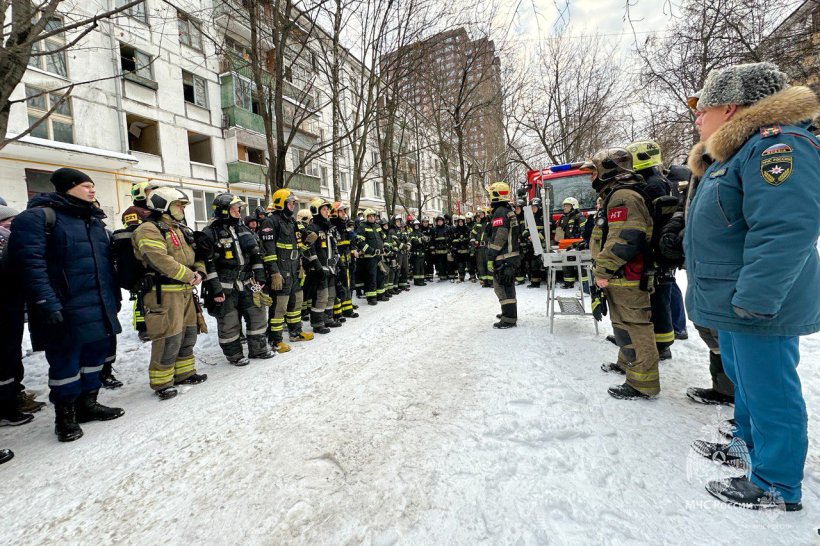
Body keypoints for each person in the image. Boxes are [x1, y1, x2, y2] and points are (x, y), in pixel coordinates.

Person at [684, 63, 819, 511]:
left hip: (759, 302)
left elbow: (786, 229)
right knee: (746, 383)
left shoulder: (776, 146)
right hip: (736, 301)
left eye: (702, 109)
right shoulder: (736, 153)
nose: (697, 118)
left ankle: (776, 482)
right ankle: (746, 444)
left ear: (729, 108)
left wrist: (758, 298)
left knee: (770, 391)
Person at [9, 168, 124, 441]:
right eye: (85, 185)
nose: (92, 190)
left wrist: (113, 297)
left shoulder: (94, 222)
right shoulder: (38, 218)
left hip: (98, 304)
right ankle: (66, 416)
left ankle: (88, 404)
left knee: (95, 357)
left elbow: (105, 265)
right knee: (65, 362)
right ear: (67, 187)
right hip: (63, 306)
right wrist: (45, 301)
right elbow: (29, 264)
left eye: (93, 186)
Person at [587, 149, 660, 400]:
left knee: (635, 325)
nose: (590, 177)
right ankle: (627, 363)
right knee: (621, 323)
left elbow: (624, 239)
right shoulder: (614, 195)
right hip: (618, 274)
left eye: (593, 172)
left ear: (608, 170)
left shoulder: (623, 197)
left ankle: (643, 383)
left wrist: (602, 269)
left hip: (627, 275)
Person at [133, 186, 208, 400]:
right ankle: (162, 382)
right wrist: (189, 275)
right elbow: (160, 259)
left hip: (185, 291)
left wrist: (200, 270)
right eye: (178, 205)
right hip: (163, 293)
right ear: (162, 206)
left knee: (188, 334)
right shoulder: (148, 229)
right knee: (168, 338)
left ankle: (184, 373)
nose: (182, 209)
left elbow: (196, 255)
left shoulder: (179, 229)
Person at [197, 193, 273, 365]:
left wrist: (260, 277)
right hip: (225, 287)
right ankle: (235, 355)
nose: (238, 213)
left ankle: (259, 350)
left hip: (247, 283)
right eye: (234, 210)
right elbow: (208, 264)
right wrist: (216, 290)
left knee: (257, 314)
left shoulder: (243, 229)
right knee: (229, 321)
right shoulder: (210, 233)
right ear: (224, 211)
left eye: (238, 210)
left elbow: (255, 256)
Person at [626, 140, 676, 361]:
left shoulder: (652, 184)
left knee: (658, 298)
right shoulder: (657, 180)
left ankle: (662, 344)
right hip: (657, 247)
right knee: (655, 295)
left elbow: (652, 220)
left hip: (655, 249)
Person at [0, 204, 44, 426]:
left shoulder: (10, 240)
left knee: (11, 356)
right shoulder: (4, 241)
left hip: (11, 307)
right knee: (4, 360)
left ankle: (13, 397)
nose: (11, 225)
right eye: (8, 222)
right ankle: (6, 408)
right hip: (4, 308)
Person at [486, 182, 521, 329]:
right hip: (510, 256)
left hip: (504, 257)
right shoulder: (507, 210)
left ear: (495, 194)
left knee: (502, 288)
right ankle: (508, 313)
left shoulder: (500, 212)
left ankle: (509, 319)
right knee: (507, 286)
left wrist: (491, 256)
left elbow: (499, 237)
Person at [305, 198, 341, 332]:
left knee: (331, 295)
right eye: (324, 209)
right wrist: (318, 266)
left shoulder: (329, 228)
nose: (327, 212)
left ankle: (328, 318)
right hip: (319, 270)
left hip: (331, 268)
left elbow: (335, 247)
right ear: (316, 211)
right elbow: (309, 250)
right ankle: (317, 323)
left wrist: (336, 261)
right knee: (321, 296)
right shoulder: (312, 228)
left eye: (327, 209)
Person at [331, 202, 359, 320]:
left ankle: (347, 309)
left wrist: (353, 254)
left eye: (344, 211)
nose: (344, 213)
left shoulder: (345, 227)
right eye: (341, 211)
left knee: (347, 285)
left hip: (347, 261)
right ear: (335, 213)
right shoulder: (332, 228)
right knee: (338, 287)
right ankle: (337, 313)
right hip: (336, 263)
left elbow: (351, 243)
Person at [354, 209, 384, 305]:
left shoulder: (377, 226)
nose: (372, 218)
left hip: (379, 255)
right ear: (366, 217)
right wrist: (371, 250)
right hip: (369, 257)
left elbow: (384, 238)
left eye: (373, 216)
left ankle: (380, 294)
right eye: (370, 216)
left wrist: (386, 247)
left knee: (380, 275)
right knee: (371, 277)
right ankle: (371, 297)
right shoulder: (362, 227)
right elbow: (360, 242)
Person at [555, 197, 584, 288]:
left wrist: (581, 240)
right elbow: (559, 230)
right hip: (566, 244)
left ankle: (585, 285)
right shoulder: (562, 218)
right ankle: (569, 283)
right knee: (566, 263)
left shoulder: (579, 217)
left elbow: (584, 230)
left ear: (573, 206)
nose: (565, 207)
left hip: (577, 244)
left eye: (567, 206)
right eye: (564, 206)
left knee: (582, 264)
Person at [471, 208, 492, 288]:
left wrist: (490, 242)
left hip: (487, 247)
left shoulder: (489, 223)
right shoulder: (477, 225)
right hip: (480, 248)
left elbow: (492, 233)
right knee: (481, 265)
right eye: (479, 214)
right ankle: (484, 282)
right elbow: (473, 234)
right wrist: (473, 241)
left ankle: (491, 281)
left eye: (482, 214)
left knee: (489, 264)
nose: (481, 215)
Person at [450, 215, 471, 282]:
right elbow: (453, 239)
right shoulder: (455, 229)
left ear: (464, 222)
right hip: (459, 251)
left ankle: (472, 276)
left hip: (466, 250)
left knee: (469, 264)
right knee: (460, 265)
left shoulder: (467, 229)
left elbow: (470, 238)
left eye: (462, 222)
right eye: (459, 222)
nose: (460, 223)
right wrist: (455, 246)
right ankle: (461, 277)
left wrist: (465, 241)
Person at [409, 220, 428, 286]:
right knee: (416, 268)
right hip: (415, 254)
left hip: (422, 254)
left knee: (422, 268)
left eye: (417, 225)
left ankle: (421, 280)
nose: (416, 226)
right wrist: (421, 240)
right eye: (415, 225)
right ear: (413, 226)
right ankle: (417, 281)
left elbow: (425, 242)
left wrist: (426, 240)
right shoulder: (411, 234)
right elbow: (414, 242)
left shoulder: (421, 234)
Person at [432, 215, 450, 281]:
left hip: (446, 249)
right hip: (438, 250)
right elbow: (432, 240)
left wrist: (449, 246)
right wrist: (433, 249)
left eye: (441, 221)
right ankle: (442, 276)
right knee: (439, 263)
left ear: (443, 221)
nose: (439, 222)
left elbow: (450, 238)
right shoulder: (434, 229)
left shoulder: (447, 228)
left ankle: (447, 274)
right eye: (438, 221)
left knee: (447, 263)